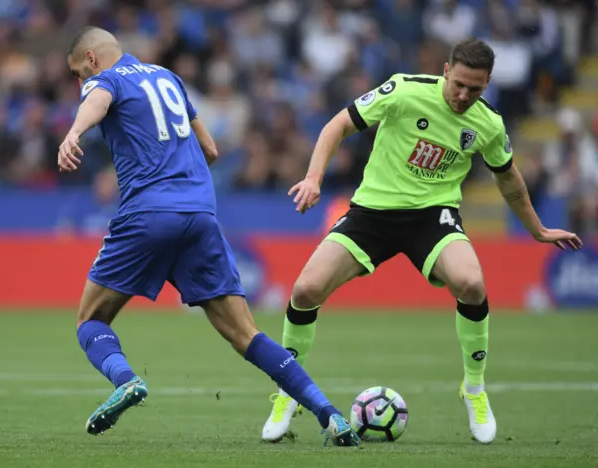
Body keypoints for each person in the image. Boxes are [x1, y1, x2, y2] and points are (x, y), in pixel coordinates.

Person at [261, 37, 583, 445]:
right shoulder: (404, 90)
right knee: (305, 290)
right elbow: (337, 124)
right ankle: (290, 392)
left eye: (476, 89)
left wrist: (537, 230)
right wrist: (313, 178)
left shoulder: (488, 123)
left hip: (433, 217)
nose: (465, 95)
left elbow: (509, 179)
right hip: (372, 212)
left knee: (472, 284)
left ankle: (474, 388)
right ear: (446, 72)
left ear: (488, 85)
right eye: (459, 85)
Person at [58, 26, 359, 447]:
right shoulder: (167, 77)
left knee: (90, 320)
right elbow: (212, 150)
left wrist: (75, 132)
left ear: (90, 59)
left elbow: (98, 100)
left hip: (148, 214)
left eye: (77, 74)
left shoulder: (103, 81)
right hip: (200, 213)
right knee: (246, 335)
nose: (79, 84)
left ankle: (125, 380)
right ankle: (331, 415)